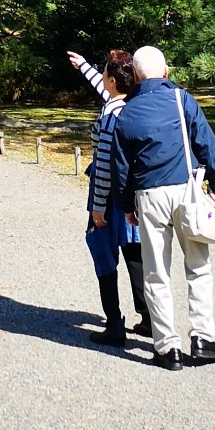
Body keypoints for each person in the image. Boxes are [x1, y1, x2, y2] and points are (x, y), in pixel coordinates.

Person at [109, 45, 215, 372]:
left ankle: (167, 348)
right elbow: (206, 144)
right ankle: (202, 339)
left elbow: (121, 169)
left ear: (134, 75)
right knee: (198, 267)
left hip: (149, 196)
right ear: (166, 72)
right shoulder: (181, 99)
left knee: (156, 273)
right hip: (185, 190)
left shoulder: (126, 113)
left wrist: (126, 205)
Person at [68, 49, 148, 345]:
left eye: (104, 74)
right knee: (135, 251)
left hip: (109, 195)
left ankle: (114, 323)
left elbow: (103, 164)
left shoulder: (110, 115)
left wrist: (98, 207)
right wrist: (85, 67)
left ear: (113, 80)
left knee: (104, 253)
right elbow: (108, 89)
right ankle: (149, 316)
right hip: (132, 194)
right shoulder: (133, 104)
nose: (101, 78)